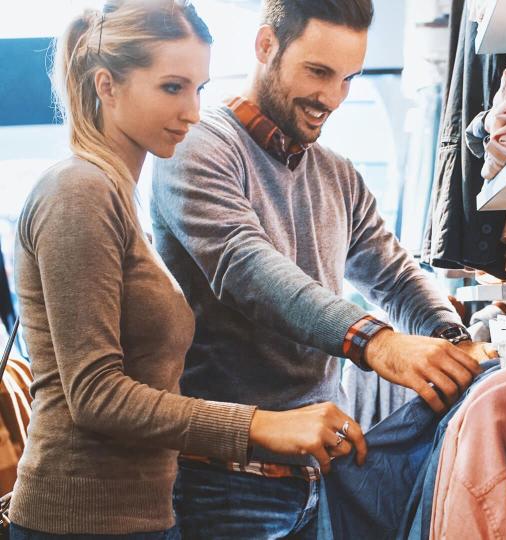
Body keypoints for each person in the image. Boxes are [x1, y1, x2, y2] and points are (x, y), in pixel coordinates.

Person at [10, 1, 368, 537]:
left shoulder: (117, 199)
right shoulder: (78, 192)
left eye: (199, 89)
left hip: (141, 517)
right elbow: (96, 396)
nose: (194, 112)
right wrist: (262, 426)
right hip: (81, 522)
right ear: (107, 86)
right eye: (172, 88)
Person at [151, 0, 493, 536]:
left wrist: (451, 339)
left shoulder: (338, 175)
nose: (332, 98)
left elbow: (393, 274)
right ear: (266, 47)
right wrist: (376, 342)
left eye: (348, 78)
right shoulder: (198, 148)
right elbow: (249, 269)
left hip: (324, 474)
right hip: (225, 484)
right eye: (318, 72)